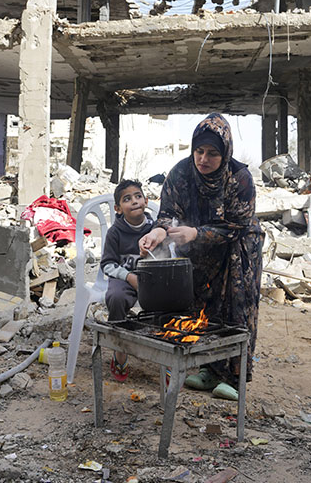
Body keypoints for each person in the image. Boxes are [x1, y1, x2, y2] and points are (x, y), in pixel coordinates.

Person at [139, 113, 264, 400]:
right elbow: (167, 215)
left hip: (238, 247)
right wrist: (158, 234)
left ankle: (234, 376)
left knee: (235, 305)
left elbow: (237, 225)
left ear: (225, 153)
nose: (203, 159)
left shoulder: (240, 179)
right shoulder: (180, 174)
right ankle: (209, 368)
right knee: (203, 304)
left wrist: (196, 233)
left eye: (212, 153)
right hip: (198, 248)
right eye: (199, 151)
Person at [101, 179, 153, 382]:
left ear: (146, 201)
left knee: (170, 299)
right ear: (118, 208)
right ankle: (119, 349)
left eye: (138, 196)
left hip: (150, 278)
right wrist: (130, 277)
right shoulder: (115, 232)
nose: (134, 201)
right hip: (124, 278)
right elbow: (107, 265)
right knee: (115, 297)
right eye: (127, 199)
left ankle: (167, 356)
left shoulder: (154, 228)